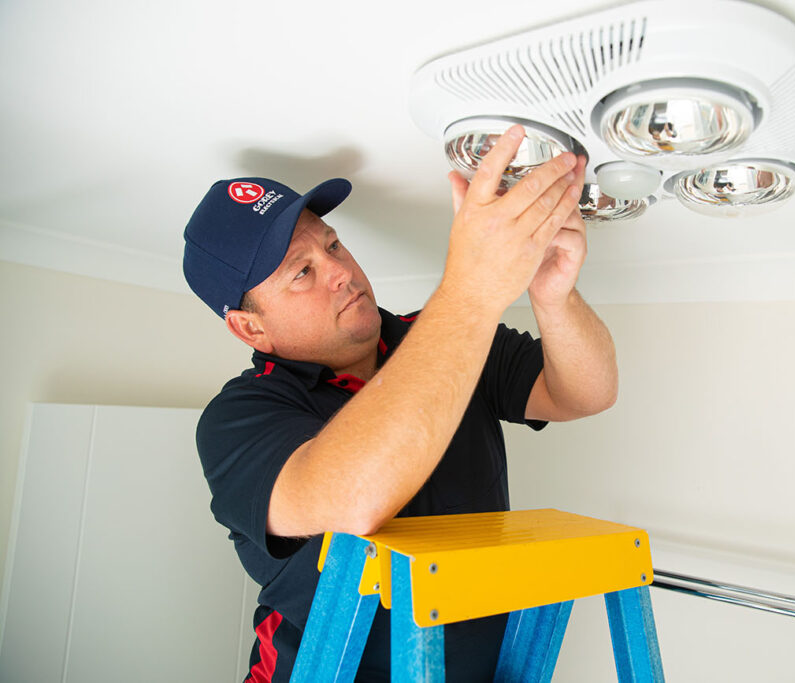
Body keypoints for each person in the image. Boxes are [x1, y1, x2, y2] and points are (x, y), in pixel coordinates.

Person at [182, 126, 618, 682]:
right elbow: (353, 500)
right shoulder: (239, 417)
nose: (341, 272)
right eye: (302, 272)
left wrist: (554, 295)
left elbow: (586, 392)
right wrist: (471, 290)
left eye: (332, 246)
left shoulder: (444, 335)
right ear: (251, 327)